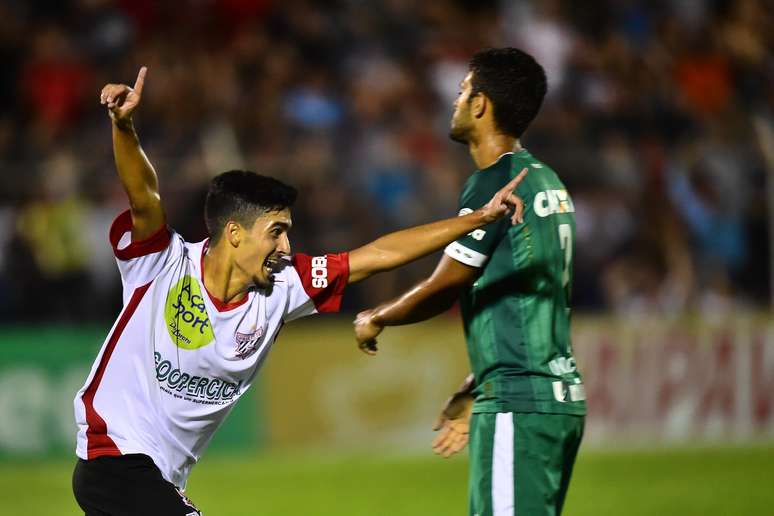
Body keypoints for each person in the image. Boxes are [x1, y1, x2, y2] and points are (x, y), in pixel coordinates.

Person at [71, 66, 528, 516]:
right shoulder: (162, 262)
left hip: (158, 478)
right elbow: (144, 196)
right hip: (112, 458)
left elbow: (376, 255)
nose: (286, 246)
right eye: (275, 232)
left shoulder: (284, 287)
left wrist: (477, 219)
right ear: (234, 233)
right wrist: (124, 126)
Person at [354, 48, 586, 516]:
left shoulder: (493, 184)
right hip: (557, 399)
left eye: (462, 92)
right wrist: (478, 381)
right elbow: (523, 296)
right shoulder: (547, 182)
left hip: (519, 403)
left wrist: (377, 316)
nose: (456, 101)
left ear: (480, 105)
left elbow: (446, 284)